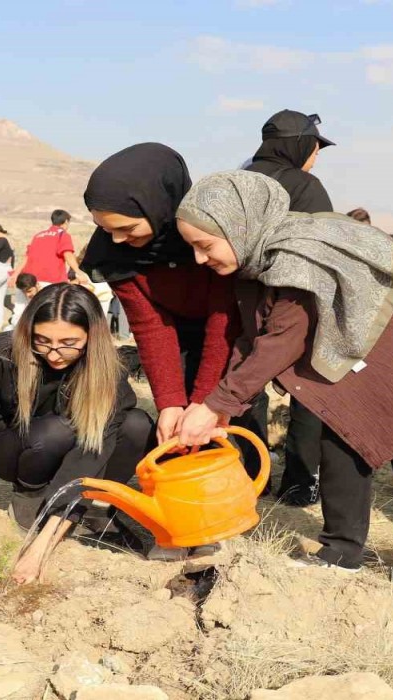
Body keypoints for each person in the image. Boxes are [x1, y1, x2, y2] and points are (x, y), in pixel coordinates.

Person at [176, 170, 393, 606]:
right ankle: (341, 553)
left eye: (205, 245)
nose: (199, 260)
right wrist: (217, 407)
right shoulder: (260, 263)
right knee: (342, 445)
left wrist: (219, 403)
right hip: (375, 363)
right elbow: (252, 340)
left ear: (239, 227)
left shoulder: (299, 257)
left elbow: (284, 340)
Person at [80, 144, 269, 525]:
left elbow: (223, 323)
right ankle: (186, 510)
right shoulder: (116, 255)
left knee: (233, 413)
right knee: (177, 419)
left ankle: (240, 497)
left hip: (229, 331)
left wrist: (206, 403)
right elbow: (151, 327)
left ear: (158, 206)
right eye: (105, 229)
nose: (116, 240)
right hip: (175, 334)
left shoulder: (205, 235)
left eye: (126, 229)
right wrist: (169, 402)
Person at [0, 283, 153, 584]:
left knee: (137, 425)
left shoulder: (107, 370)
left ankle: (95, 504)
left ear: (92, 337)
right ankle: (29, 500)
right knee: (57, 431)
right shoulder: (1, 354)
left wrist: (40, 549)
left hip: (78, 455)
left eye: (69, 343)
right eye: (42, 341)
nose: (54, 354)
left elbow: (89, 454)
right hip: (17, 451)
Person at [245, 110, 336, 506]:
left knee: (245, 384)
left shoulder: (239, 179)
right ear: (299, 145)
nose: (315, 158)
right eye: (315, 148)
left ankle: (249, 475)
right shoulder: (304, 185)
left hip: (239, 300)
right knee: (307, 390)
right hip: (294, 299)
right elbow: (325, 244)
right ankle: (300, 483)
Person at [13, 210, 88, 289]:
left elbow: (26, 258)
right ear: (66, 221)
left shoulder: (38, 235)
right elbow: (68, 255)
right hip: (50, 281)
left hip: (29, 280)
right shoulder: (62, 234)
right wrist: (79, 273)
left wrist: (15, 274)